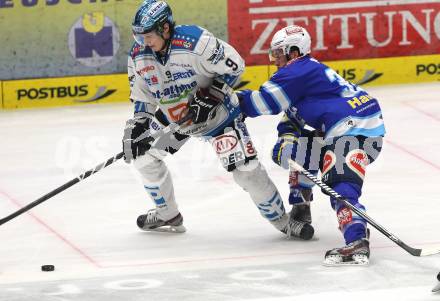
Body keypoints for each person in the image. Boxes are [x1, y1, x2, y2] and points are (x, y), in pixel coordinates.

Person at [122, 1, 314, 240]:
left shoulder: (196, 42)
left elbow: (235, 66)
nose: (143, 43)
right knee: (142, 157)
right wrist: (137, 125)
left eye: (148, 36)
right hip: (177, 120)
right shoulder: (138, 55)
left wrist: (210, 96)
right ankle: (167, 214)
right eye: (139, 37)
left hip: (218, 118)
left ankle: (284, 222)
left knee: (247, 171)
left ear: (165, 28)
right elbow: (143, 98)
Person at [237, 25, 385, 266]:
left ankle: (357, 238)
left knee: (339, 183)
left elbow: (263, 102)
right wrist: (285, 142)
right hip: (350, 126)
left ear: (294, 52)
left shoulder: (297, 71)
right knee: (301, 149)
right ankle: (301, 207)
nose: (274, 59)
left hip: (355, 129)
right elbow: (291, 118)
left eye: (279, 53)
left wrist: (231, 102)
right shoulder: (305, 75)